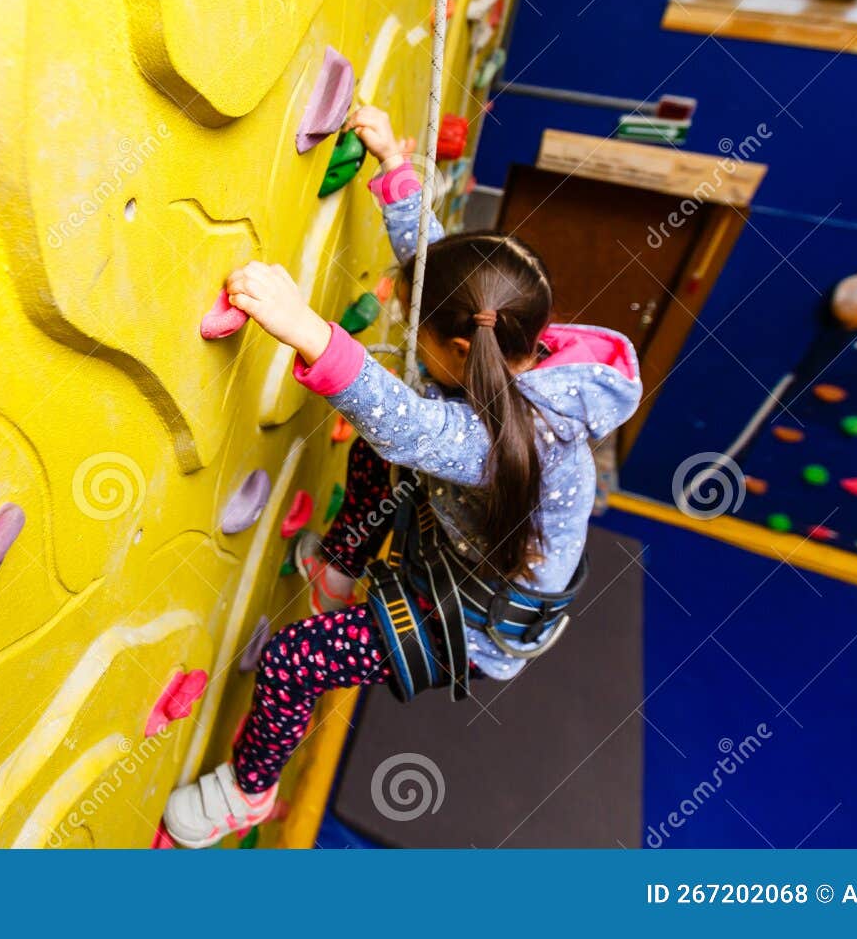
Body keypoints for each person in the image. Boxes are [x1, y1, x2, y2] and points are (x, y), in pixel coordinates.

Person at [162, 106, 641, 848]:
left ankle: (247, 792)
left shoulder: (506, 434)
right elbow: (439, 279)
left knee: (294, 660)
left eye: (424, 341)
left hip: (472, 622)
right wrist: (393, 168)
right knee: (373, 453)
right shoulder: (511, 335)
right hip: (463, 546)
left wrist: (305, 328)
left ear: (460, 350)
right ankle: (341, 569)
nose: (414, 343)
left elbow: (408, 424)